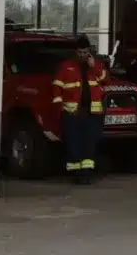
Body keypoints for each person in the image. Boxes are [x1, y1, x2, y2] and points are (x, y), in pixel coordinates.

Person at [50, 39, 109, 183]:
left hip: (92, 113)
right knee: (73, 143)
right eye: (80, 52)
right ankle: (76, 173)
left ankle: (87, 173)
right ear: (75, 52)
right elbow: (56, 87)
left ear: (89, 51)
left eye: (85, 52)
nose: (82, 55)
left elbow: (106, 79)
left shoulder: (95, 65)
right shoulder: (66, 66)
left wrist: (94, 66)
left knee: (90, 143)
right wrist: (60, 109)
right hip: (72, 113)